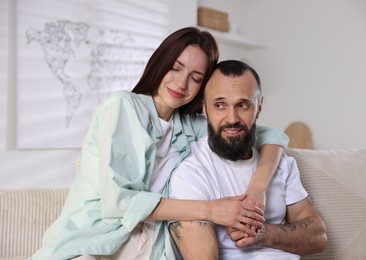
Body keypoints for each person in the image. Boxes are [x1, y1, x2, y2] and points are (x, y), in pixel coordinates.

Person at [31, 28, 288, 260]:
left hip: (152, 246)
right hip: (94, 242)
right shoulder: (122, 107)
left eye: (196, 77)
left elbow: (270, 135)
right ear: (160, 62)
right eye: (175, 68)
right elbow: (118, 203)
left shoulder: (190, 125)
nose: (181, 83)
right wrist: (212, 210)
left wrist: (257, 188)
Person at [169, 60, 327, 260]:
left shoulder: (281, 163)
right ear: (205, 109)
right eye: (220, 105)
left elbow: (318, 236)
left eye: (243, 105)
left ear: (258, 107)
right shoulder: (191, 173)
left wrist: (263, 233)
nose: (232, 118)